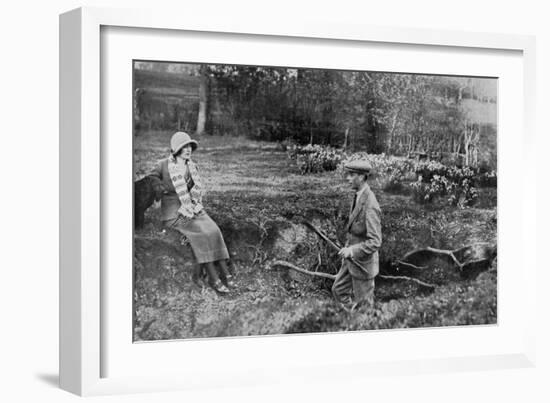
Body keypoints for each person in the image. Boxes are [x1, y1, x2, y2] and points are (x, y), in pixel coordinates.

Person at [150, 131, 234, 294]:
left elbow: (195, 189)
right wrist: (158, 188)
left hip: (192, 206)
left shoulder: (192, 166)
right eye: (184, 147)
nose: (188, 150)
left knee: (214, 230)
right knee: (201, 234)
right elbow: (151, 179)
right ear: (176, 149)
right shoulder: (162, 164)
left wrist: (193, 204)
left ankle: (226, 273)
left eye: (190, 146)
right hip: (174, 212)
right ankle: (213, 277)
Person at [333, 160, 382, 309]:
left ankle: (363, 328)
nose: (347, 178)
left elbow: (375, 241)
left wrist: (352, 251)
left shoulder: (370, 203)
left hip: (363, 264)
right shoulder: (358, 195)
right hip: (351, 260)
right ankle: (350, 323)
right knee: (338, 290)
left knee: (364, 307)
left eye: (351, 175)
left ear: (361, 177)